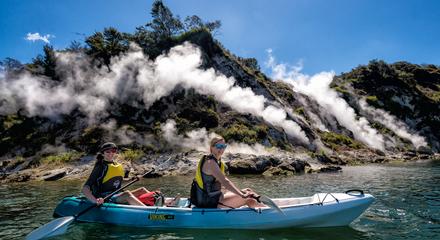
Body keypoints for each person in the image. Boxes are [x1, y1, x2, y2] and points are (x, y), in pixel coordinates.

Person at [82, 142, 180, 206]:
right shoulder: (100, 167)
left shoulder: (116, 165)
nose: (111, 153)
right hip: (105, 197)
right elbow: (85, 188)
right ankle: (148, 211)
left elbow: (118, 182)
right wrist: (95, 201)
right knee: (127, 194)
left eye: (113, 151)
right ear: (103, 153)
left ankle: (168, 203)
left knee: (142, 190)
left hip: (116, 194)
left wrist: (132, 179)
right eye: (108, 151)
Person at [190, 136, 266, 209]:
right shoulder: (210, 163)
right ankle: (267, 213)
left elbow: (219, 185)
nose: (221, 149)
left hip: (214, 198)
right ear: (211, 147)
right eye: (219, 146)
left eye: (224, 146)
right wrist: (242, 195)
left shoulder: (217, 162)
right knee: (248, 198)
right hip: (209, 202)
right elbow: (225, 182)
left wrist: (242, 193)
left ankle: (263, 206)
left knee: (248, 190)